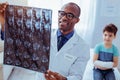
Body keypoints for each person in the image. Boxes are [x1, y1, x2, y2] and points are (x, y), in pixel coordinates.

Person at [0, 2, 90, 80]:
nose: (64, 18)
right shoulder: (42, 34)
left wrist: (64, 79)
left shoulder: (83, 47)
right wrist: (4, 23)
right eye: (62, 13)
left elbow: (77, 76)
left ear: (77, 20)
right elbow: (15, 41)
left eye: (70, 15)